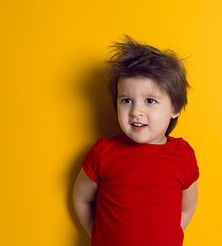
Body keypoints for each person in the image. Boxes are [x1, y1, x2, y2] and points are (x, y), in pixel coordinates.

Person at [73, 35, 199, 246]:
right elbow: (81, 198)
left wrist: (168, 235)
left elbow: (187, 207)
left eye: (150, 101)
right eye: (126, 100)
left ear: (175, 108)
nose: (136, 111)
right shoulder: (104, 152)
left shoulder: (183, 156)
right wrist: (98, 235)